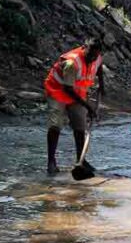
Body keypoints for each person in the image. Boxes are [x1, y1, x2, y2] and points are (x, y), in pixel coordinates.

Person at [43, 39, 105, 174]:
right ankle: (51, 162)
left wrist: (101, 84)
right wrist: (88, 107)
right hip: (58, 90)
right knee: (55, 125)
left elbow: (99, 66)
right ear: (83, 48)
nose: (92, 59)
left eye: (95, 56)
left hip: (77, 93)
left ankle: (81, 160)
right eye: (89, 56)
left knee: (80, 126)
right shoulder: (72, 63)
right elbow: (68, 89)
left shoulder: (97, 57)